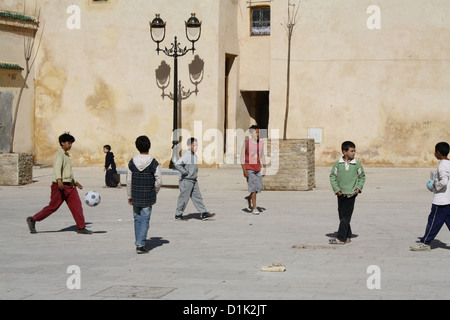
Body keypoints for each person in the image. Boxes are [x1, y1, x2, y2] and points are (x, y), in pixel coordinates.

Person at [26, 132, 92, 234]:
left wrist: (76, 183)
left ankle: (81, 227)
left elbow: (68, 172)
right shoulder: (60, 154)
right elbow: (57, 168)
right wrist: (59, 180)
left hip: (70, 187)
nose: (70, 145)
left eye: (71, 143)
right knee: (53, 207)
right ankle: (33, 219)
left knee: (77, 207)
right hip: (60, 186)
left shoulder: (66, 155)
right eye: (68, 143)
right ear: (62, 143)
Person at [410, 142, 450, 251]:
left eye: (435, 151)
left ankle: (425, 243)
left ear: (438, 152)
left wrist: (434, 185)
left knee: (433, 221)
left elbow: (444, 181)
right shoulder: (448, 163)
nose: (434, 153)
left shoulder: (442, 165)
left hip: (441, 201)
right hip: (448, 200)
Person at [127, 136, 162, 254]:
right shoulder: (153, 162)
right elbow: (159, 181)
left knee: (137, 219)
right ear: (149, 146)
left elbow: (129, 181)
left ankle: (138, 241)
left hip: (136, 195)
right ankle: (141, 245)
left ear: (137, 147)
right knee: (145, 220)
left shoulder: (132, 162)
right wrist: (154, 191)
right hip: (148, 196)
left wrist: (129, 195)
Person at [329, 141, 366, 244]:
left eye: (354, 151)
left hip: (351, 194)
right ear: (344, 152)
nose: (354, 153)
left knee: (346, 216)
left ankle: (340, 238)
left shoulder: (356, 164)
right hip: (341, 194)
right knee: (342, 216)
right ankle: (347, 236)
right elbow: (332, 176)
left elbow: (362, 176)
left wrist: (358, 187)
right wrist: (336, 189)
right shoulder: (338, 163)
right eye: (351, 151)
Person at [174, 137, 215, 221]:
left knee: (197, 197)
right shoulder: (187, 155)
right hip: (186, 181)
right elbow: (177, 164)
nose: (196, 147)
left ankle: (204, 213)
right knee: (184, 198)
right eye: (194, 145)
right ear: (189, 146)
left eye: (197, 145)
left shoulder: (194, 156)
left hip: (193, 180)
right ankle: (178, 214)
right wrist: (184, 172)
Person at [240, 125, 266, 215]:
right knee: (253, 189)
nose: (258, 134)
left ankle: (248, 198)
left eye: (259, 132)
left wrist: (264, 166)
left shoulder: (261, 143)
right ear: (251, 133)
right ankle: (254, 208)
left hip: (258, 168)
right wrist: (244, 170)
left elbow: (262, 155)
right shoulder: (246, 143)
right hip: (249, 168)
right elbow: (242, 157)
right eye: (256, 132)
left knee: (258, 188)